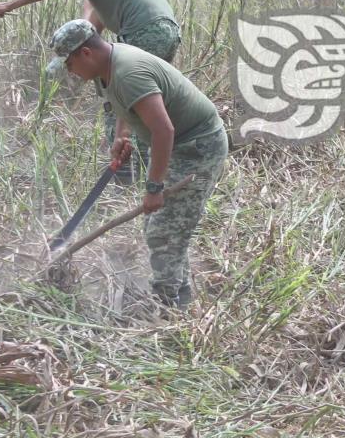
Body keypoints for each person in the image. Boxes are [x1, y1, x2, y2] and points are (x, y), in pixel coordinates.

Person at [47, 19, 228, 308]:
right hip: (180, 143)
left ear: (85, 54)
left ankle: (168, 306)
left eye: (69, 64)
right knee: (161, 227)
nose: (70, 72)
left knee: (164, 231)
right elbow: (125, 105)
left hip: (197, 147)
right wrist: (122, 136)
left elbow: (163, 130)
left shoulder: (128, 71)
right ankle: (179, 293)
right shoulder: (106, 67)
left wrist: (154, 187)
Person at [0, 0, 182, 180]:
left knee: (119, 98)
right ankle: (150, 172)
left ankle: (125, 174)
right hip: (165, 33)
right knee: (144, 104)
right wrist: (58, 65)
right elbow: (91, 34)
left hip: (144, 33)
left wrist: (8, 5)